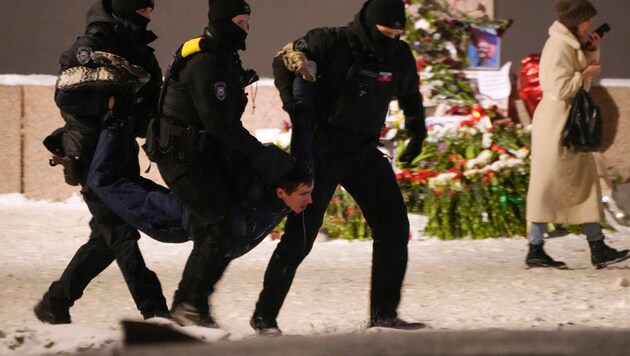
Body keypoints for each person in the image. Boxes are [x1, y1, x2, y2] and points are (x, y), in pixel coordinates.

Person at [250, 0, 428, 335]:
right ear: (370, 24)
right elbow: (284, 60)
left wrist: (417, 133)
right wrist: (297, 107)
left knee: (393, 226)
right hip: (323, 149)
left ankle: (384, 316)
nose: (390, 39)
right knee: (301, 236)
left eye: (397, 33)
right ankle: (264, 316)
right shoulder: (331, 41)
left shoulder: (398, 56)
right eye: (384, 32)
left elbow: (410, 95)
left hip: (362, 151)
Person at [155, 0, 302, 327]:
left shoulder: (224, 59)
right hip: (183, 158)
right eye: (239, 20)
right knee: (222, 224)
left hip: (206, 154)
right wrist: (263, 157)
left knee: (230, 224)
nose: (246, 27)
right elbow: (220, 124)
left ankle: (192, 305)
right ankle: (188, 307)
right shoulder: (206, 62)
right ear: (223, 22)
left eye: (248, 20)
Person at [34, 0, 171, 324]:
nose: (149, 12)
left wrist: (137, 117)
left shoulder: (142, 52)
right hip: (91, 158)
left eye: (151, 7)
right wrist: (112, 101)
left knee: (106, 237)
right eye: (143, 6)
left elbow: (150, 109)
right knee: (121, 233)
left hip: (121, 154)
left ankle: (56, 301)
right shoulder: (91, 44)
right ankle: (154, 312)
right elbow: (66, 95)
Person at [87, 126, 314, 259]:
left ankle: (114, 129)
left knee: (123, 188)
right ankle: (112, 126)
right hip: (179, 217)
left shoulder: (279, 200)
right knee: (105, 182)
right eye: (304, 194)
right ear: (282, 192)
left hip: (182, 220)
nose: (310, 200)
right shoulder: (262, 193)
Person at [525, 0, 629, 269]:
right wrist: (585, 72)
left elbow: (579, 81)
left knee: (584, 182)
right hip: (557, 123)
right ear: (575, 20)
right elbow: (560, 88)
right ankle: (537, 248)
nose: (591, 24)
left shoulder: (569, 44)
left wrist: (591, 52)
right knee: (547, 185)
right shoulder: (559, 46)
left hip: (566, 120)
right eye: (587, 19)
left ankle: (595, 246)